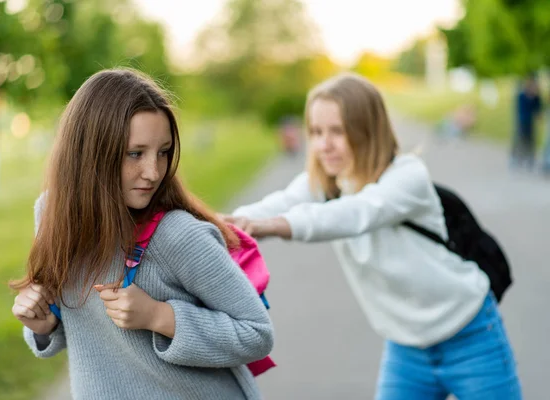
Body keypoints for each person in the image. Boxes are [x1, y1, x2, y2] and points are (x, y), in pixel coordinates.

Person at [223, 72, 522, 399]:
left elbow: (355, 214)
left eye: (337, 131)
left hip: (471, 336)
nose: (324, 144)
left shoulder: (407, 177)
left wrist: (274, 226)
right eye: (316, 132)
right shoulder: (325, 183)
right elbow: (272, 205)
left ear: (368, 129)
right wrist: (219, 225)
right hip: (406, 349)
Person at [10, 68, 274, 400]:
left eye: (163, 152)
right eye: (136, 153)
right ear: (90, 153)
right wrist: (43, 324)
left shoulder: (179, 236)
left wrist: (159, 316)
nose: (153, 172)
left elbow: (256, 333)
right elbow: (81, 324)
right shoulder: (52, 216)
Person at [511, 74, 542, 170]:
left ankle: (529, 159)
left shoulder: (536, 97)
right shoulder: (522, 96)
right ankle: (516, 158)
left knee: (530, 140)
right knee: (520, 139)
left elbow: (538, 109)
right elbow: (521, 109)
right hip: (522, 120)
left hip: (530, 122)